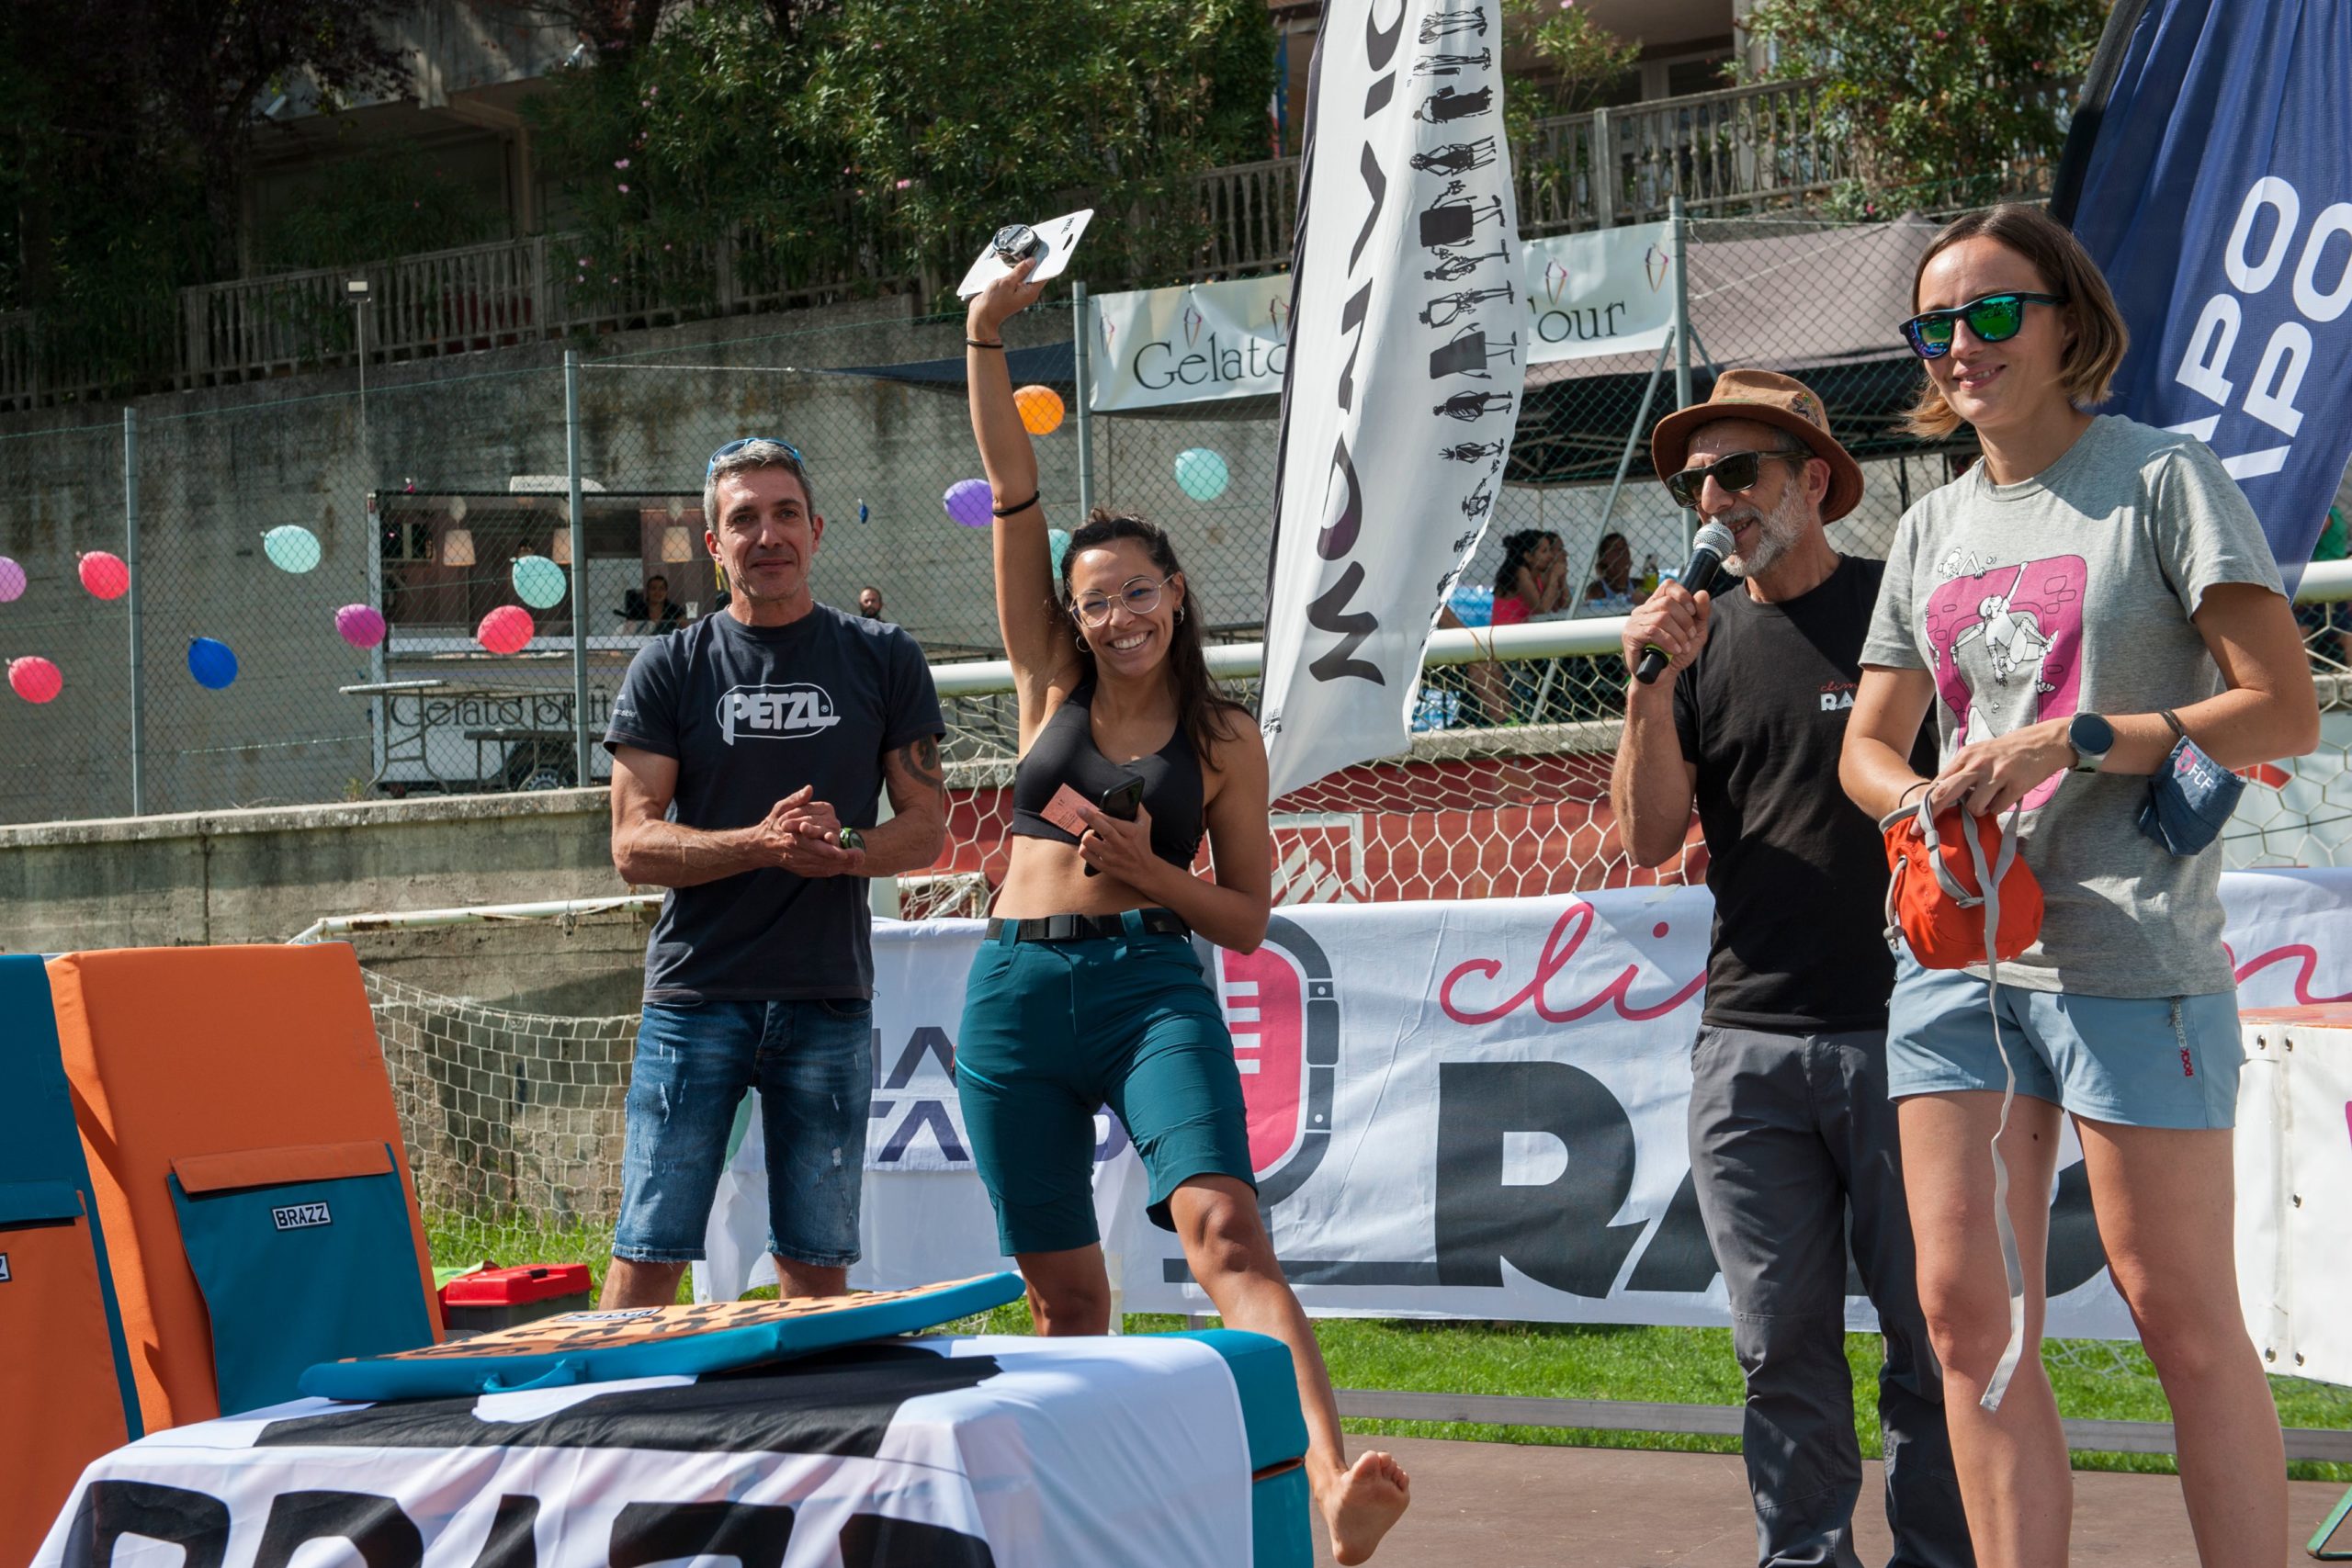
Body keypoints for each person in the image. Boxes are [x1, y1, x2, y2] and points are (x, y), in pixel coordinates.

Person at [1840, 204, 2318, 1566]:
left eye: (1995, 312)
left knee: (2180, 1317)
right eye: (1936, 325)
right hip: (1956, 956)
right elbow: (1867, 747)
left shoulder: (2162, 477)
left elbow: (2284, 708)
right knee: (1963, 1322)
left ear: (2069, 324)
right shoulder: (1930, 525)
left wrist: (2079, 738)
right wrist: (1918, 802)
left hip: (2128, 952)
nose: (1962, 345)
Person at [963, 258, 1410, 1565]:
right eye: (1096, 598)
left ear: (1176, 594)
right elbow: (1012, 489)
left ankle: (1330, 1486)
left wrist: (1144, 864)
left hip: (1150, 988)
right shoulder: (1049, 680)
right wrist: (984, 333)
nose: (1118, 616)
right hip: (1013, 992)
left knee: (1227, 1233)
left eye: (1138, 591)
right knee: (1066, 1298)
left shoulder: (1221, 737)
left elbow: (1249, 918)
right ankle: (1081, 1527)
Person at [1611, 369, 1968, 1568]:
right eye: (1695, 482)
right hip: (1747, 1045)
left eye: (1739, 472)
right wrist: (1648, 684)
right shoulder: (1697, 638)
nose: (1714, 500)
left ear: (1812, 479)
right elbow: (1647, 836)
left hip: (1909, 1031)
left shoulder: (1895, 611)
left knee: (1934, 1341)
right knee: (1777, 1347)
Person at [599, 437, 949, 1309]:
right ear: (714, 545)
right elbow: (632, 845)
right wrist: (759, 844)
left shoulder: (883, 656)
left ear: (816, 530)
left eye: (785, 513)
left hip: (826, 996)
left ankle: (808, 1409)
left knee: (818, 1269)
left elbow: (927, 828)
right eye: (743, 519)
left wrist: (849, 848)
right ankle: (613, 1401)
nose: (767, 535)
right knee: (648, 1257)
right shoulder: (670, 665)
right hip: (697, 996)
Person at [1491, 528, 1568, 625]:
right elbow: (1542, 610)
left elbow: (1562, 605)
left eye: (1550, 550)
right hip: (1506, 631)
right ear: (1528, 556)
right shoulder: (1521, 572)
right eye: (1544, 551)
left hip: (1523, 629)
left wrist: (1562, 579)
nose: (1551, 556)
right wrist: (1554, 577)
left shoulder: (1538, 575)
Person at [1578, 530, 1637, 615]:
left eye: (1624, 547)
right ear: (1604, 559)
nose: (1622, 552)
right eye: (1615, 549)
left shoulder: (1637, 585)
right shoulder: (1597, 589)